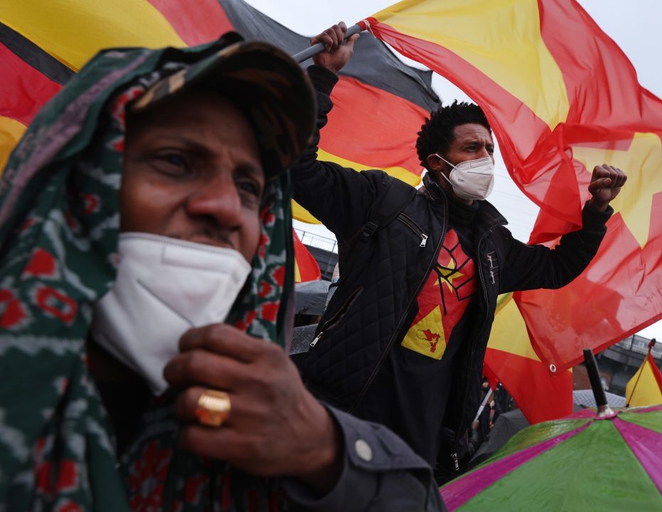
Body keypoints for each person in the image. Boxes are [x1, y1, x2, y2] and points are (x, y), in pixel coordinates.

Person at [0, 34, 446, 511]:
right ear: (77, 179)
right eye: (175, 161)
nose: (227, 207)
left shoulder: (274, 443)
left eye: (249, 187)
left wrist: (325, 450)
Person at [292, 23, 627, 482]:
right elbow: (299, 168)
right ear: (436, 162)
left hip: (424, 437)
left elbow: (557, 267)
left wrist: (595, 212)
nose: (486, 159)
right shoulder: (383, 201)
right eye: (472, 148)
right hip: (339, 410)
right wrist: (323, 76)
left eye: (489, 149)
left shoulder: (494, 246)